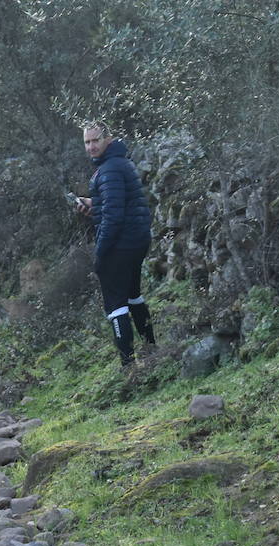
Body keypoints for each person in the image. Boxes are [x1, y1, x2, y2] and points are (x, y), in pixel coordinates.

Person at [70, 122, 155, 365]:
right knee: (133, 296)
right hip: (137, 240)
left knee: (116, 306)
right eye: (87, 142)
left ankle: (129, 366)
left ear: (108, 139)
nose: (91, 147)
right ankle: (151, 348)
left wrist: (101, 252)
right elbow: (117, 205)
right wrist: (92, 205)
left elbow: (114, 217)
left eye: (95, 140)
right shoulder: (120, 163)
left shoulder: (109, 170)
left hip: (121, 243)